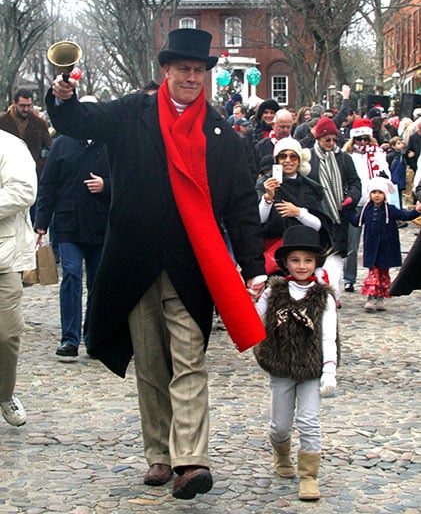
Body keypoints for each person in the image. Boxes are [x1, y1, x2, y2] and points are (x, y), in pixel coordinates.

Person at [46, 28, 267, 501]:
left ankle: (191, 460)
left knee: (189, 360)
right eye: (183, 69)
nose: (192, 77)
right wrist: (61, 95)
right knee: (149, 363)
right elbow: (76, 119)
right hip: (134, 259)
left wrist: (253, 266)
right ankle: (159, 455)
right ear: (166, 70)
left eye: (199, 71)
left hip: (191, 264)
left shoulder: (222, 134)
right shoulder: (131, 113)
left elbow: (242, 205)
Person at [254, 225, 339, 501]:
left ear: (316, 262)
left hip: (313, 368)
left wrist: (329, 369)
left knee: (309, 420)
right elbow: (255, 319)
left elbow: (329, 335)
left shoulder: (323, 296)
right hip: (281, 365)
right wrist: (249, 296)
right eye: (295, 260)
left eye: (308, 260)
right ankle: (281, 455)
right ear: (285, 262)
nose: (302, 266)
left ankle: (309, 476)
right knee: (279, 425)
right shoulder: (274, 292)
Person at [34, 133, 111, 361]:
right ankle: (69, 338)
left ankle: (93, 337)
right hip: (69, 224)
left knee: (98, 283)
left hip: (100, 225)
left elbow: (127, 180)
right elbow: (48, 183)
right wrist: (41, 222)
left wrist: (106, 185)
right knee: (71, 275)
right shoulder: (62, 143)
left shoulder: (109, 142)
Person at [0, 130, 37, 427]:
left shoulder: (10, 146)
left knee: (7, 333)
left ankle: (4, 393)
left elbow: (24, 191)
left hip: (3, 258)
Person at [256, 137, 331, 276]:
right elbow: (258, 220)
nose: (288, 160)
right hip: (274, 252)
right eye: (283, 156)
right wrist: (268, 197)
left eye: (293, 156)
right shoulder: (264, 184)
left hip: (304, 251)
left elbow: (320, 225)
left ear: (299, 160)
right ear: (277, 160)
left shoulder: (312, 187)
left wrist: (298, 213)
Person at [308, 118, 361, 306]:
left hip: (340, 213)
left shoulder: (344, 158)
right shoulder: (309, 158)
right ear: (318, 139)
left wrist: (351, 198)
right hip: (317, 214)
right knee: (319, 255)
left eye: (333, 140)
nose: (331, 144)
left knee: (337, 254)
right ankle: (321, 290)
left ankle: (333, 293)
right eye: (327, 140)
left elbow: (355, 182)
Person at [348, 177, 421, 311]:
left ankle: (380, 298)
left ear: (385, 194)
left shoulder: (391, 210)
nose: (377, 195)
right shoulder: (367, 210)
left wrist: (417, 211)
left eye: (380, 192)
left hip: (386, 248)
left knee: (383, 273)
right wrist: (346, 211)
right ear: (370, 194)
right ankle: (371, 297)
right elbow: (356, 221)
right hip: (371, 247)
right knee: (373, 273)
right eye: (374, 192)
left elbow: (405, 216)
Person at [342, 118, 390, 293]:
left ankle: (376, 278)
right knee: (352, 245)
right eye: (358, 139)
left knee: (374, 243)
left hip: (373, 203)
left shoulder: (377, 154)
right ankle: (349, 278)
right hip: (355, 203)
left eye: (365, 139)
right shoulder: (347, 155)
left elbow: (385, 177)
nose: (362, 142)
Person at [0, 89, 52, 222]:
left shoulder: (39, 123)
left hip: (33, 178)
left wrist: (40, 167)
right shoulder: (2, 122)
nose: (26, 109)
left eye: (29, 106)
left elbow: (48, 148)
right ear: (14, 103)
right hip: (6, 178)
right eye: (22, 106)